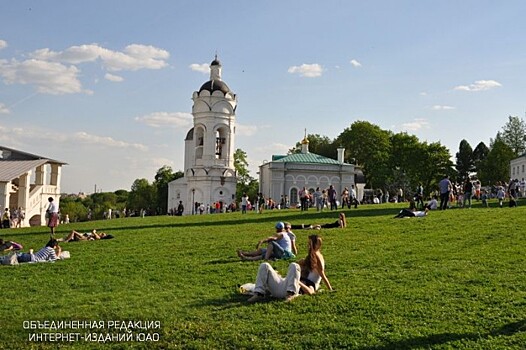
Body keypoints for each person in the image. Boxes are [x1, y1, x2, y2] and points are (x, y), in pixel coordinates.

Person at [247, 234, 332, 303]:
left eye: (310, 244)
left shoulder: (309, 282)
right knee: (264, 265)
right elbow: (297, 269)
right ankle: (259, 293)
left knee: (294, 265)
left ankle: (291, 294)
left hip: (289, 290)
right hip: (282, 286)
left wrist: (297, 281)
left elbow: (311, 291)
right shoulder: (305, 263)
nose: (308, 246)